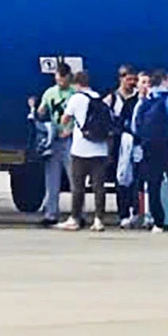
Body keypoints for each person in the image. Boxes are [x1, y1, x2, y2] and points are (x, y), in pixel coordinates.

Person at [132, 69, 168, 232]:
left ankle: (158, 222)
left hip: (150, 147)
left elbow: (135, 127)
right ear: (165, 80)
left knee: (153, 184)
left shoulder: (145, 101)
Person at [60, 70, 111, 231]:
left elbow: (64, 119)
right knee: (99, 187)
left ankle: (75, 218)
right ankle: (98, 220)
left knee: (78, 186)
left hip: (80, 149)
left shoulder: (76, 98)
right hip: (100, 149)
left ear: (76, 84)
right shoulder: (98, 98)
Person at [33, 62, 77, 227]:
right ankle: (51, 213)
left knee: (74, 178)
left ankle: (76, 212)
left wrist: (70, 130)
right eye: (56, 79)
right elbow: (42, 111)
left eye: (61, 80)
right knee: (51, 178)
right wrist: (36, 110)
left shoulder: (74, 93)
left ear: (68, 78)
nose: (59, 82)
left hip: (69, 138)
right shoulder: (50, 92)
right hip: (54, 138)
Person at [108, 67, 143, 228]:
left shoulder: (138, 100)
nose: (132, 83)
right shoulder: (112, 98)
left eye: (134, 80)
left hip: (135, 143)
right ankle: (123, 213)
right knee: (121, 179)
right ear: (121, 79)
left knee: (137, 180)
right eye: (129, 80)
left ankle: (136, 211)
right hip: (118, 143)